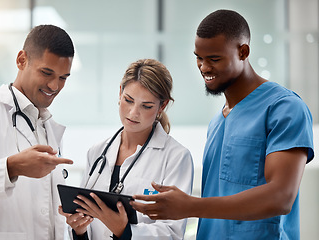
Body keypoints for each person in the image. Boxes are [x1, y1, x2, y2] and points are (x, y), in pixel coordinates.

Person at [130, 9, 314, 239]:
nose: (204, 67)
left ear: (243, 52)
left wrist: (190, 206)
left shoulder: (284, 108)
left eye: (214, 59)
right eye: (199, 57)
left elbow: (281, 197)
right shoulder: (217, 122)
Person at [0, 25, 75, 240]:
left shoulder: (46, 126)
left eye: (63, 77)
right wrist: (11, 167)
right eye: (47, 72)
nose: (54, 85)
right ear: (21, 60)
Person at [59, 58, 194, 240]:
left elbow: (172, 232)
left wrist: (125, 231)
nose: (133, 113)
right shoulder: (97, 153)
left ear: (162, 106)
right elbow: (86, 225)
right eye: (128, 100)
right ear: (120, 92)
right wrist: (79, 230)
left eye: (146, 106)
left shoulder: (176, 157)